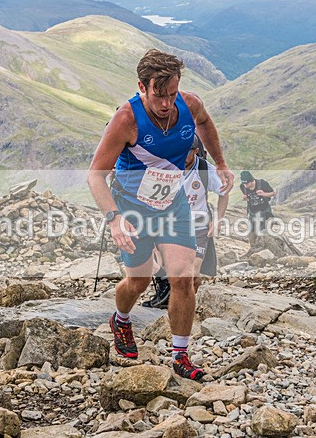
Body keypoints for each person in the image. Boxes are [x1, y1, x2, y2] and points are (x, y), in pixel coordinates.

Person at [87, 49, 234, 381]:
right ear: (142, 87)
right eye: (159, 95)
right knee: (138, 282)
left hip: (172, 205)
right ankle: (121, 320)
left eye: (172, 94)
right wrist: (114, 219)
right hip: (133, 209)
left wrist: (221, 163)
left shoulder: (189, 104)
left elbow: (205, 123)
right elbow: (95, 175)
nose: (167, 103)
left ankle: (180, 355)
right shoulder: (126, 120)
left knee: (183, 278)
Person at [143, 135, 231, 308]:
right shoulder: (165, 167)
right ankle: (168, 298)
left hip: (198, 224)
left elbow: (224, 193)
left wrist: (218, 219)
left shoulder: (205, 169)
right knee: (163, 265)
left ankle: (182, 308)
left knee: (193, 272)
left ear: (196, 151)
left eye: (185, 152)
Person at [240, 170, 276, 247]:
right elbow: (247, 198)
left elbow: (273, 193)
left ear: (251, 180)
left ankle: (264, 248)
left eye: (247, 183)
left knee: (263, 233)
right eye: (244, 184)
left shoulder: (262, 183)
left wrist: (264, 194)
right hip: (252, 212)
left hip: (264, 211)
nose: (245, 185)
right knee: (251, 234)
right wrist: (245, 198)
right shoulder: (243, 187)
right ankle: (253, 249)